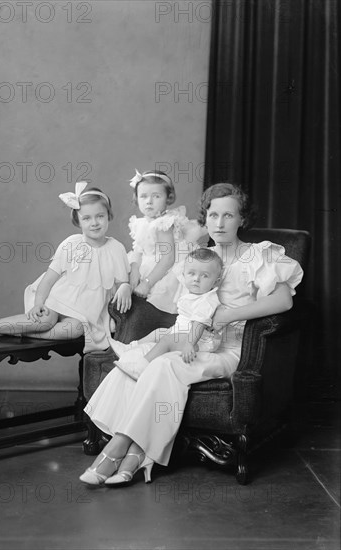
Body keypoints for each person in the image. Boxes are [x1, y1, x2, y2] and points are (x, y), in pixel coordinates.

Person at [79, 182, 304, 487]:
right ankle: (137, 455)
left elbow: (284, 301)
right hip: (191, 341)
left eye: (229, 215)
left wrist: (226, 315)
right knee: (135, 362)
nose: (220, 223)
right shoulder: (200, 258)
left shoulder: (257, 254)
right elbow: (185, 308)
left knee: (162, 365)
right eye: (213, 216)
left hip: (230, 348)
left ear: (242, 219)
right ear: (206, 219)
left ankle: (116, 447)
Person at [0, 182, 132, 351]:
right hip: (58, 300)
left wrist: (124, 286)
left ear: (109, 216)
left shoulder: (116, 248)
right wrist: (38, 303)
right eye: (87, 218)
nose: (94, 223)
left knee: (74, 330)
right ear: (78, 221)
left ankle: (5, 327)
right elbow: (48, 279)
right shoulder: (71, 244)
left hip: (85, 313)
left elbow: (122, 281)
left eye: (100, 216)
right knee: (44, 320)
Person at [110, 248, 224, 380]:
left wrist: (189, 344)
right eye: (191, 273)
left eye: (205, 275)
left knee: (167, 340)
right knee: (159, 332)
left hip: (201, 340)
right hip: (184, 332)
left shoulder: (207, 300)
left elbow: (198, 325)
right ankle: (129, 348)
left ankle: (140, 368)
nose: (196, 279)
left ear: (216, 281)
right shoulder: (192, 295)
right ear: (184, 275)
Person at [127, 169, 207, 314]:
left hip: (163, 271)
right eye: (143, 196)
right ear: (136, 198)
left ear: (168, 198)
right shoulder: (139, 223)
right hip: (146, 264)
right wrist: (134, 271)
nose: (149, 201)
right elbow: (138, 250)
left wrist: (147, 283)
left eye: (156, 196)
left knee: (151, 306)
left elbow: (168, 258)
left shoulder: (164, 223)